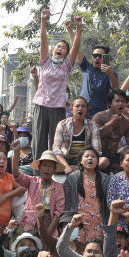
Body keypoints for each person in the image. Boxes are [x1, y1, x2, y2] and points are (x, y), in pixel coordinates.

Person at [31, 10, 82, 158]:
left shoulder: (66, 66)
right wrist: (43, 20)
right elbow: (43, 40)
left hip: (57, 108)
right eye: (58, 46)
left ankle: (56, 173)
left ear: (66, 53)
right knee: (39, 141)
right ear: (53, 50)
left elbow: (76, 47)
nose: (60, 48)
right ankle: (37, 174)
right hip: (41, 106)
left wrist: (78, 29)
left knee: (56, 143)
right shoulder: (45, 62)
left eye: (63, 47)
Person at [62, 146, 108, 243]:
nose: (90, 158)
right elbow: (67, 203)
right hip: (79, 223)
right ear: (81, 161)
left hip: (99, 224)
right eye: (86, 156)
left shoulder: (105, 179)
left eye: (93, 156)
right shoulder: (72, 178)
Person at [52, 98, 101, 171]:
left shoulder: (93, 125)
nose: (80, 108)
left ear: (87, 110)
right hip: (65, 158)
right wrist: (66, 166)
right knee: (51, 158)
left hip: (84, 160)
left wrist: (80, 166)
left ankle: (81, 170)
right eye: (77, 106)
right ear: (72, 109)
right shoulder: (62, 124)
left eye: (83, 106)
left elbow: (97, 150)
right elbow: (56, 149)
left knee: (104, 161)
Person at [92, 89, 129, 166]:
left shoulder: (127, 122)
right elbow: (95, 136)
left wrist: (125, 149)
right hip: (97, 154)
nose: (121, 104)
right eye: (117, 101)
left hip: (114, 155)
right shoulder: (99, 117)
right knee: (103, 162)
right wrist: (111, 122)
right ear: (110, 103)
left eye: (123, 101)